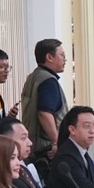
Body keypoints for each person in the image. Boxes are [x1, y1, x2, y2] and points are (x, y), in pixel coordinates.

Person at [19, 38, 69, 168]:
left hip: (33, 146)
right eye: (62, 55)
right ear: (49, 57)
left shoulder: (33, 77)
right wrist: (57, 142)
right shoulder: (48, 81)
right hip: (46, 150)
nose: (65, 59)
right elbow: (44, 114)